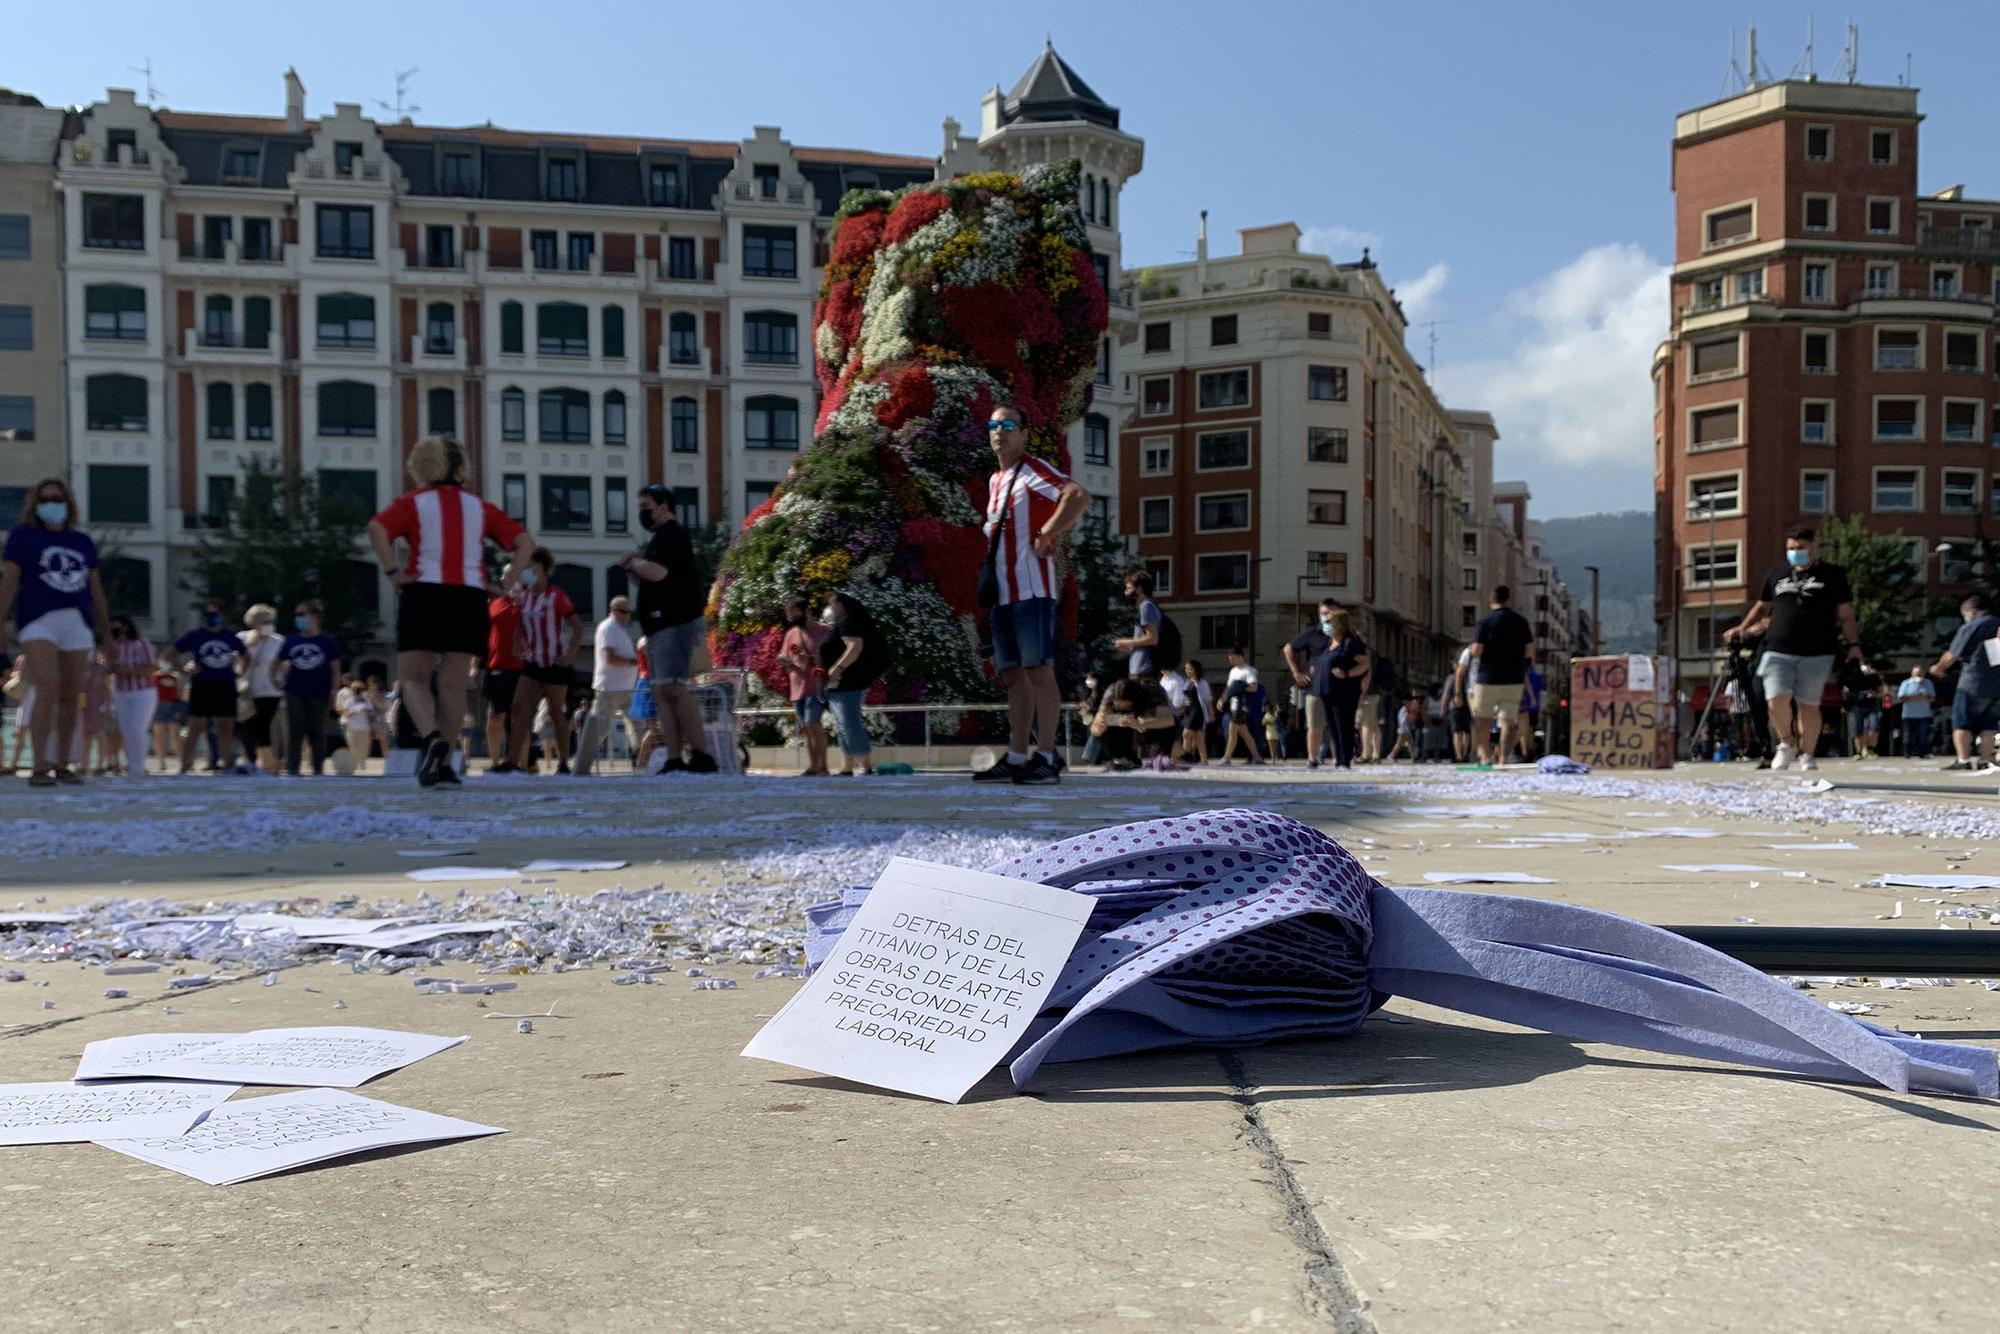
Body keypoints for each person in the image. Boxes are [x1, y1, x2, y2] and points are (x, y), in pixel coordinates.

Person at [367, 436, 534, 787]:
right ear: (461, 468)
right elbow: (524, 544)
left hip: (423, 592)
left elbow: (377, 528)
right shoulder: (479, 507)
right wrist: (506, 585)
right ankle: (442, 764)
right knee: (454, 685)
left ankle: (431, 739)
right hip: (469, 596)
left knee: (413, 678)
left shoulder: (414, 502)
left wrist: (393, 572)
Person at [975, 402, 1089, 786]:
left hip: (1031, 591)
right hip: (1002, 595)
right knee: (1012, 677)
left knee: (1039, 671)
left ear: (1024, 433)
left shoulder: (1033, 470)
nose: (999, 431)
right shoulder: (995, 481)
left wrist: (1048, 532)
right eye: (992, 424)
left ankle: (1047, 755)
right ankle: (1017, 754)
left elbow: (1076, 495)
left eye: (1008, 423)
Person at [0, 479, 112, 786]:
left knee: (70, 694)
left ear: (68, 502)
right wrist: (1, 620)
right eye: (46, 499)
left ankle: (63, 763)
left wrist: (107, 634)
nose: (53, 504)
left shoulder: (82, 541)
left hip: (77, 620)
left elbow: (96, 590)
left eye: (58, 498)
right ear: (35, 504)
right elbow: (9, 580)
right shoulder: (23, 537)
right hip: (38, 619)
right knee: (46, 687)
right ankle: (38, 765)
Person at [1725, 525, 1862, 774]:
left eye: (1800, 548)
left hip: (1817, 650)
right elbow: (1761, 606)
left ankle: (1807, 753)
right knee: (1776, 698)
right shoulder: (1777, 573)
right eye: (1790, 549)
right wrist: (1742, 628)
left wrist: (1854, 646)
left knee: (1808, 704)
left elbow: (1846, 615)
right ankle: (1786, 742)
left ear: (1814, 546)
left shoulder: (1833, 575)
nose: (1795, 553)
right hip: (1778, 647)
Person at [623, 485, 716, 774]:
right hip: (661, 624)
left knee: (674, 687)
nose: (643, 511)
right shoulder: (661, 539)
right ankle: (675, 756)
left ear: (663, 505)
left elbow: (658, 573)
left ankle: (700, 754)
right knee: (663, 690)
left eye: (647, 505)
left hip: (674, 623)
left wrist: (635, 563)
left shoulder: (672, 535)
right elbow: (654, 578)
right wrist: (637, 569)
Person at [508, 548, 584, 774]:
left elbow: (577, 626)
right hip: (533, 662)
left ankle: (563, 762)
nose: (527, 572)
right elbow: (520, 623)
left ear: (542, 569)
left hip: (555, 662)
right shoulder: (523, 596)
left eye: (531, 567)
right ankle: (512, 761)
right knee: (519, 708)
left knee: (556, 712)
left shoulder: (557, 596)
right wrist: (517, 644)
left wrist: (569, 654)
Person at [174, 598, 247, 777]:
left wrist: (239, 671)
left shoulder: (230, 636)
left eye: (215, 613)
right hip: (202, 684)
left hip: (225, 684)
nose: (212, 617)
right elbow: (169, 654)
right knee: (196, 725)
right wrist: (183, 670)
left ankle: (225, 764)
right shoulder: (195, 635)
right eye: (208, 614)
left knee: (226, 725)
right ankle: (185, 765)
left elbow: (247, 656)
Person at [1928, 594, 2000, 771]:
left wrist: (1938, 668)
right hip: (1995, 684)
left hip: (1972, 681)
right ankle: (1984, 760)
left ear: (1971, 612)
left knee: (1962, 722)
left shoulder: (1972, 626)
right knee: (1988, 725)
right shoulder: (1998, 623)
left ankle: (1963, 760)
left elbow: (1953, 654)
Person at [819, 589, 886, 776]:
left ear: (841, 605)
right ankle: (847, 766)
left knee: (850, 723)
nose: (829, 608)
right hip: (838, 685)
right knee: (842, 726)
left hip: (849, 683)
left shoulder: (849, 623)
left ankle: (865, 764)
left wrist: (837, 668)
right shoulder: (840, 625)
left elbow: (855, 647)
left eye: (832, 604)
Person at [1466, 586, 1534, 767]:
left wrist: (1473, 652)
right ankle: (1504, 758)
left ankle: (1486, 757)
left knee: (1482, 719)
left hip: (1488, 678)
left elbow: (1477, 650)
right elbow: (1529, 651)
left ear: (1491, 599)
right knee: (1509, 722)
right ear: (1508, 599)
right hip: (1513, 678)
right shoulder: (1521, 622)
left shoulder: (1485, 622)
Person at [275, 600, 341, 777]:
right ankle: (293, 768)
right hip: (294, 692)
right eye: (297, 615)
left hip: (320, 693)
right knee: (295, 732)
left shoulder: (328, 641)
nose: (298, 618)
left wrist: (334, 692)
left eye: (302, 614)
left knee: (317, 733)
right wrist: (276, 682)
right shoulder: (291, 641)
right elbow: (275, 664)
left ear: (316, 616)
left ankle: (318, 768)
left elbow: (335, 670)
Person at [575, 595, 639, 776]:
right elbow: (609, 658)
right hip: (609, 688)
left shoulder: (620, 629)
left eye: (629, 613)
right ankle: (581, 768)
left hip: (624, 688)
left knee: (637, 725)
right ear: (614, 611)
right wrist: (634, 662)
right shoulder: (608, 628)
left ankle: (641, 760)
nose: (628, 616)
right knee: (598, 729)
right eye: (624, 612)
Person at [776, 595, 831, 776]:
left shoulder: (826, 631)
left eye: (795, 613)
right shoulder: (792, 633)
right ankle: (813, 765)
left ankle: (823, 766)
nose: (792, 618)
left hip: (816, 685)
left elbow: (834, 656)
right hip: (797, 686)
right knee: (807, 729)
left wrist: (815, 659)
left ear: (806, 611)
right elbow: (784, 654)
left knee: (812, 723)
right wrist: (786, 660)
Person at [1284, 597, 1341, 770]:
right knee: (1315, 726)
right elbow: (1288, 648)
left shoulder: (1345, 634)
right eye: (1323, 613)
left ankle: (1339, 760)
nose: (1327, 616)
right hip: (1315, 688)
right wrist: (1296, 672)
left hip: (1339, 687)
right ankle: (1312, 759)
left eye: (1330, 612)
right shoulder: (1313, 633)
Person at [478, 565, 524, 773]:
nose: (508, 579)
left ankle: (521, 762)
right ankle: (496, 762)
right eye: (505, 575)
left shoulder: (527, 602)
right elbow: (484, 635)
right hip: (495, 665)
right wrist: (474, 663)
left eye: (512, 575)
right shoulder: (494, 604)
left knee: (519, 715)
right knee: (495, 715)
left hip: (520, 666)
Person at [1316, 610, 1371, 771]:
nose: (1326, 624)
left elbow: (1365, 664)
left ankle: (1345, 760)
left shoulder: (1351, 642)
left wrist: (1347, 674)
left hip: (1344, 692)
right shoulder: (1330, 643)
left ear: (1339, 623)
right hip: (1327, 691)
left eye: (1330, 621)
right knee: (1333, 727)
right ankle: (1338, 759)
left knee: (1343, 725)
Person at [104, 614, 158, 778]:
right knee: (127, 731)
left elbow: (151, 668)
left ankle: (138, 766)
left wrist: (129, 671)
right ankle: (132, 765)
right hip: (121, 692)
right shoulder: (112, 647)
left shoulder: (142, 643)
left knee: (137, 729)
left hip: (142, 691)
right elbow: (107, 669)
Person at [1090, 676, 1177, 770]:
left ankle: (1157, 756)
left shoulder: (1151, 689)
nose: (1123, 710)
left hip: (1149, 724)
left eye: (1127, 707)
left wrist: (1140, 723)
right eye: (1118, 707)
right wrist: (1099, 728)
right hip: (1127, 732)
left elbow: (1169, 720)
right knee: (1108, 722)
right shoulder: (1111, 692)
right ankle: (1120, 758)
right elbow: (1096, 723)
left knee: (1161, 726)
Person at [237, 604, 284, 774]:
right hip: (246, 690)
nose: (268, 624)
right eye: (264, 621)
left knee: (262, 726)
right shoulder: (242, 638)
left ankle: (268, 762)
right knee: (247, 726)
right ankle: (252, 760)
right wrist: (249, 645)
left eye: (270, 620)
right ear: (254, 622)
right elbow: (235, 660)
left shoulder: (278, 640)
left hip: (270, 691)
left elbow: (283, 665)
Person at [1216, 645, 1266, 764]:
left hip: (1242, 704)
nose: (1231, 661)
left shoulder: (1248, 671)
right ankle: (1257, 757)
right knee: (1244, 732)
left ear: (1239, 657)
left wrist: (1241, 687)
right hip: (1233, 704)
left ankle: (1227, 757)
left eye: (1232, 658)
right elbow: (1229, 687)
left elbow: (1254, 687)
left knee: (1233, 730)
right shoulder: (1233, 671)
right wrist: (1222, 699)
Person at [1113, 569, 1164, 681]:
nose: (1126, 593)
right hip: (1140, 668)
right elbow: (1145, 641)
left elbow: (1152, 639)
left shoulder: (1146, 607)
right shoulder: (1147, 607)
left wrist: (1126, 642)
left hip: (1143, 669)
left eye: (1129, 588)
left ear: (1139, 589)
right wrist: (1129, 647)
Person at [1840, 656, 1884, 760]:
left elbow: (1881, 691)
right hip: (1856, 705)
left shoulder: (1874, 677)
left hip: (1872, 706)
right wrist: (1845, 705)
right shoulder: (1851, 676)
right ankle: (1858, 752)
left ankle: (1870, 749)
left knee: (1874, 726)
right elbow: (1845, 691)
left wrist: (1875, 694)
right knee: (1856, 730)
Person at [1896, 666, 1937, 760]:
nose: (1919, 675)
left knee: (1923, 735)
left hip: (1924, 714)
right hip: (1909, 714)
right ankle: (1907, 752)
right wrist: (1915, 697)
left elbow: (1932, 698)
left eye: (1920, 673)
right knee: (1908, 735)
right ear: (1912, 673)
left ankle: (1923, 752)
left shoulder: (1928, 683)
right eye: (1917, 673)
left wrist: (1924, 697)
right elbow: (1901, 698)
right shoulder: (1906, 683)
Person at [337, 675, 376, 769]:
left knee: (363, 747)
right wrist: (354, 711)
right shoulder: (349, 701)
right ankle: (354, 764)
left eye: (360, 691)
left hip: (364, 727)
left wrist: (366, 709)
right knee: (353, 747)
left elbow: (372, 713)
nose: (359, 693)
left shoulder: (367, 701)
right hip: (351, 727)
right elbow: (346, 714)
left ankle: (362, 763)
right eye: (356, 691)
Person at [1445, 647, 1475, 762]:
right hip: (1468, 704)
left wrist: (1443, 709)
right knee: (1466, 732)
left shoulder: (1451, 677)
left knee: (1457, 732)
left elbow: (1446, 695)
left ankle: (1459, 755)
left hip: (1455, 707)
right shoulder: (1469, 675)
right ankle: (1465, 753)